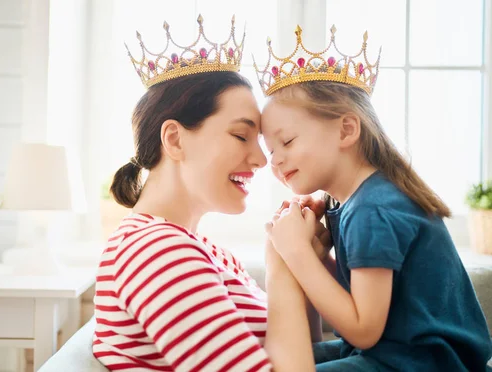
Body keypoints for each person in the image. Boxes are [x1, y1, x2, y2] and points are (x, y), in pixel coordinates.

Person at [256, 25, 492, 371]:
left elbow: (364, 329)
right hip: (390, 351)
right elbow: (367, 298)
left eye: (287, 142)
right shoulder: (346, 203)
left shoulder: (374, 209)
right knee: (269, 361)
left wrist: (297, 252)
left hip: (424, 362)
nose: (274, 160)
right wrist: (317, 258)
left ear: (347, 129)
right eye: (270, 150)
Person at [92, 15, 317, 371]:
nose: (261, 159)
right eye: (241, 136)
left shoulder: (202, 251)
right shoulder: (157, 252)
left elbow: (303, 353)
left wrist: (301, 258)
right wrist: (284, 266)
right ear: (175, 139)